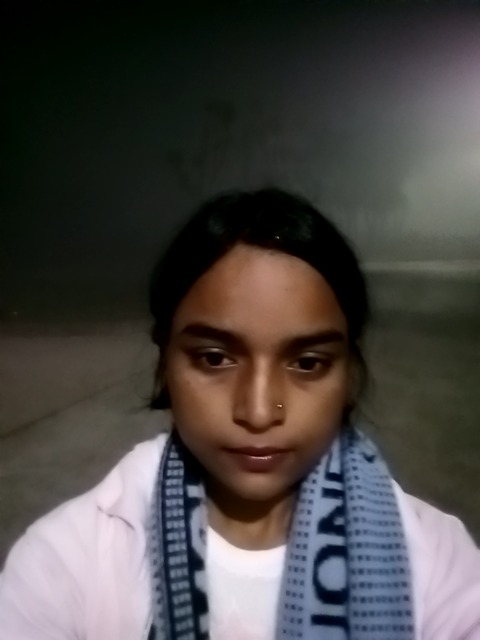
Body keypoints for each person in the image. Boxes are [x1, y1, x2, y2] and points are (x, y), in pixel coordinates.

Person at [0, 188, 479, 640]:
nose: (258, 412)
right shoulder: (66, 563)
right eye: (214, 358)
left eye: (307, 363)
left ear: (350, 373)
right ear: (164, 361)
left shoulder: (438, 561)